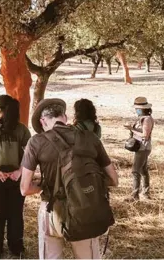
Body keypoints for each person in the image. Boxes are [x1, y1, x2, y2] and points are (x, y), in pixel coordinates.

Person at [20, 98, 118, 260]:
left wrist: (44, 184)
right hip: (84, 209)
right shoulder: (90, 137)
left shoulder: (36, 142)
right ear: (64, 117)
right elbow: (113, 179)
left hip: (52, 211)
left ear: (43, 121)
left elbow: (25, 189)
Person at [0, 95, 31, 258]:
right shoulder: (22, 129)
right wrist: (20, 171)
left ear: (0, 109)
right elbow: (30, 152)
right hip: (16, 177)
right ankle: (16, 248)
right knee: (16, 213)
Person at [124, 97, 154, 200]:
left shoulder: (147, 119)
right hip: (143, 147)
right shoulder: (143, 118)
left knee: (135, 171)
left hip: (143, 148)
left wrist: (132, 129)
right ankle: (145, 193)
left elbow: (145, 135)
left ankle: (134, 195)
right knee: (143, 170)